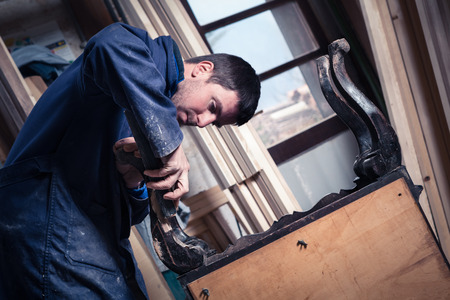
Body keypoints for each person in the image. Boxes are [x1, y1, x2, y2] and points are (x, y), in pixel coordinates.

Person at [0, 22, 260, 299]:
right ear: (203, 69)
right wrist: (170, 143)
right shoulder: (146, 58)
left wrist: (133, 180)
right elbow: (110, 42)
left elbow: (130, 215)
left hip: (85, 232)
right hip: (44, 219)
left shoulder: (150, 110)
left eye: (215, 122)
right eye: (212, 107)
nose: (203, 122)